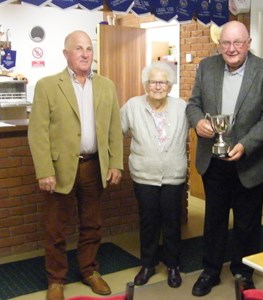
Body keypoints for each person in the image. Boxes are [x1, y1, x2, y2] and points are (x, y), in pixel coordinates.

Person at [186, 20, 263, 297]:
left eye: (238, 42)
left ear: (248, 43)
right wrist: (198, 122)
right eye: (226, 43)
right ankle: (210, 271)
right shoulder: (206, 67)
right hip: (213, 161)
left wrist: (245, 144)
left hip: (250, 162)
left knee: (247, 223)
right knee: (213, 219)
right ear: (219, 45)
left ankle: (243, 272)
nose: (232, 48)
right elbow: (194, 104)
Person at [28, 30, 123, 300]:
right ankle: (56, 279)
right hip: (58, 171)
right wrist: (45, 170)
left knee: (92, 224)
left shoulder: (106, 85)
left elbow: (114, 129)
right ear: (66, 54)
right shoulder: (47, 85)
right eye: (78, 48)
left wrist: (115, 162)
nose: (85, 53)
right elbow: (38, 132)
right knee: (55, 229)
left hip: (94, 167)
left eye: (89, 49)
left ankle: (89, 270)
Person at [121, 61, 189, 288]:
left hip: (173, 175)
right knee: (148, 221)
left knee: (172, 221)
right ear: (145, 84)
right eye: (152, 82)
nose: (157, 86)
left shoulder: (182, 107)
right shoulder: (132, 106)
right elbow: (115, 130)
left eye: (162, 82)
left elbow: (202, 128)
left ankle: (173, 265)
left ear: (169, 86)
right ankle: (148, 264)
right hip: (144, 175)